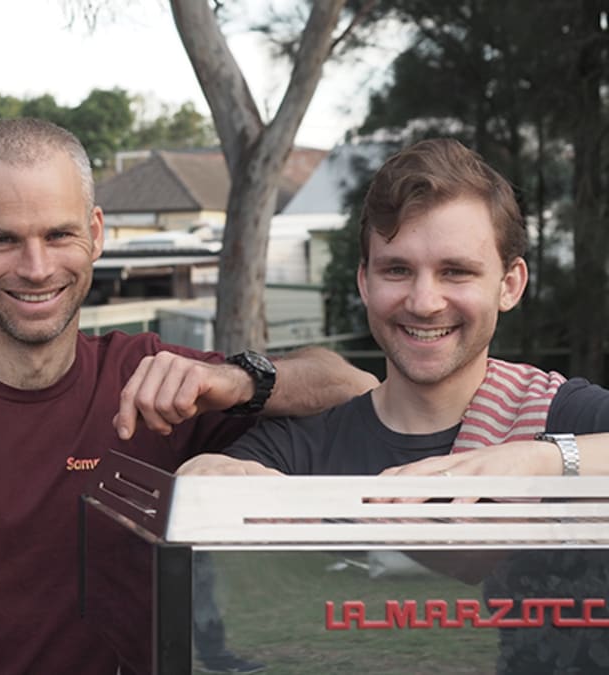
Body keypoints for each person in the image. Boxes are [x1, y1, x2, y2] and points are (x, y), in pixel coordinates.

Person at [0, 118, 378, 675]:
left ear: (96, 233)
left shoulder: (150, 378)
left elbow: (355, 387)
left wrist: (241, 381)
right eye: (2, 239)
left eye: (58, 235)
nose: (36, 266)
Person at [179, 138, 609, 673]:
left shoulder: (561, 415)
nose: (424, 302)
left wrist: (537, 460)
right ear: (364, 280)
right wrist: (203, 477)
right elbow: (211, 493)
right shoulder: (303, 445)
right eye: (397, 270)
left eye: (456, 271)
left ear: (510, 284)